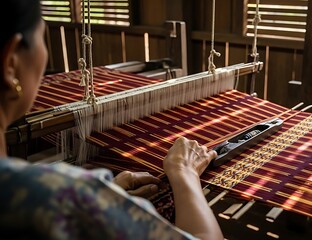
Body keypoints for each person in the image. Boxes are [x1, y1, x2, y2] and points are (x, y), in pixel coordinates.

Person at [0, 0, 223, 239]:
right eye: (42, 38)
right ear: (11, 64)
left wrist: (106, 201)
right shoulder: (59, 195)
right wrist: (184, 173)